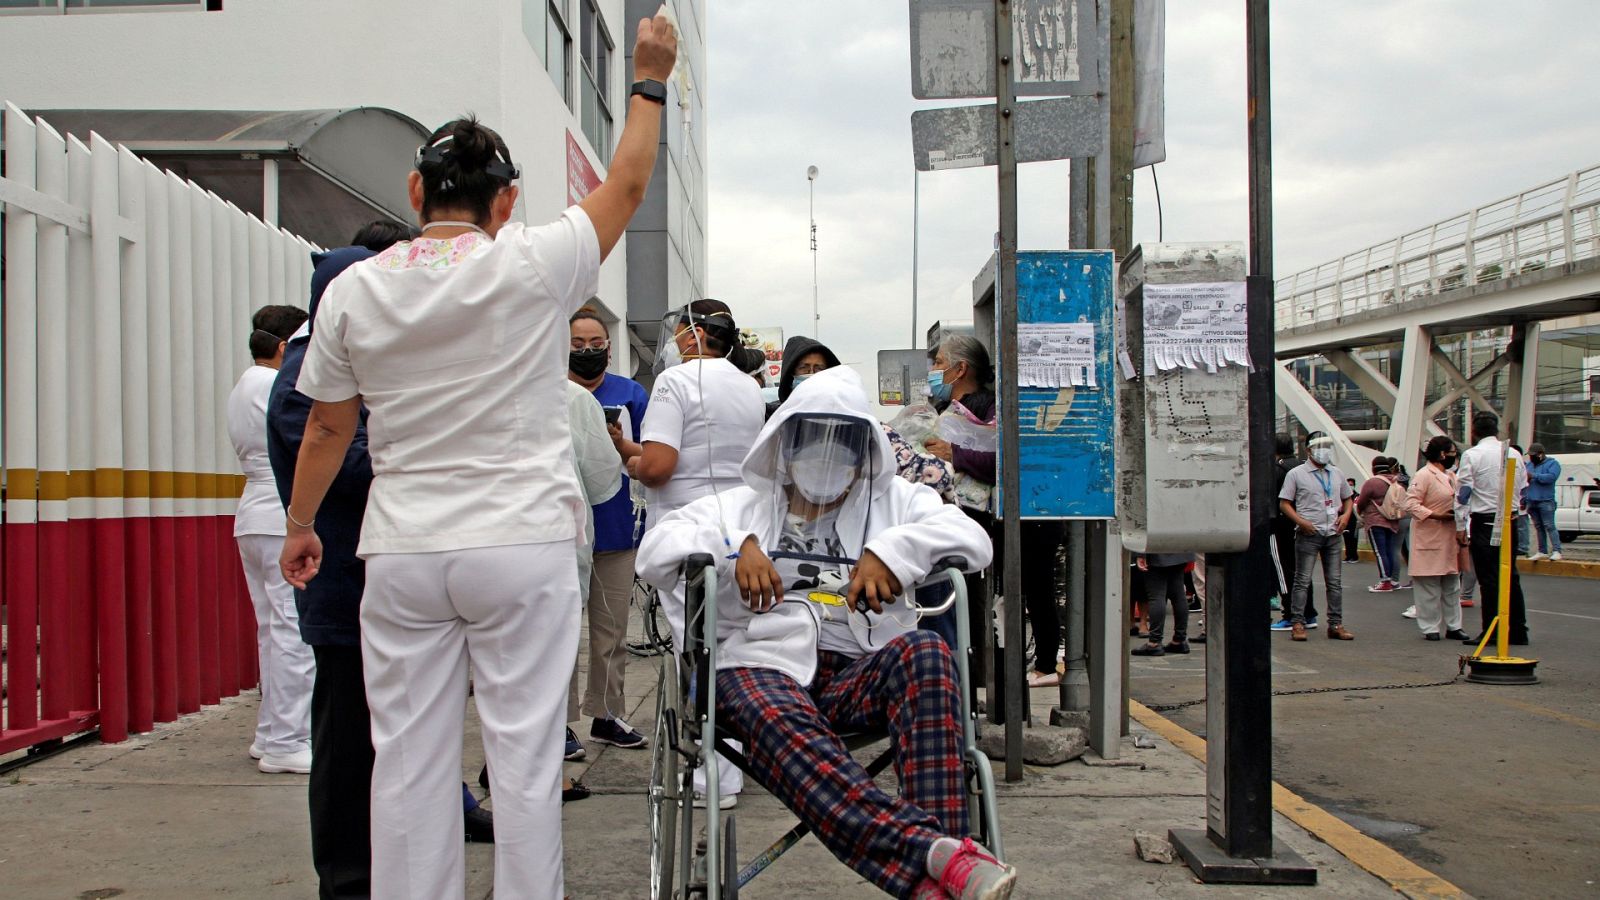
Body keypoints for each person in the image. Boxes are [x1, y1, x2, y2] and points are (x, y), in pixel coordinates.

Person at [278, 17, 677, 899]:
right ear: (504, 204)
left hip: (404, 551)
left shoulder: (353, 290)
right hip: (521, 543)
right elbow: (630, 181)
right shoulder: (533, 264)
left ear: (416, 188)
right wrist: (647, 79)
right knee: (526, 762)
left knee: (409, 767)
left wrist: (302, 526)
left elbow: (326, 429)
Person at [636, 367, 1015, 900]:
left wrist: (893, 552)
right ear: (785, 444)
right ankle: (937, 862)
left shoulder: (897, 504)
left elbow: (972, 540)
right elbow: (655, 549)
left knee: (929, 652)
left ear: (865, 452)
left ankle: (938, 854)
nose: (826, 452)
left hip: (858, 671)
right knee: (762, 699)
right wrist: (735, 547)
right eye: (812, 436)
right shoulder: (739, 507)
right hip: (760, 668)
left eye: (843, 440)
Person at [267, 225, 496, 899]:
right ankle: (346, 881)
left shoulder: (361, 368)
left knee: (401, 738)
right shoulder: (301, 383)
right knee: (347, 748)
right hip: (344, 593)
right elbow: (354, 461)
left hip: (390, 583)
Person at [631, 297, 767, 806]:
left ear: (691, 335)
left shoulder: (675, 382)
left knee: (697, 651)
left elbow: (660, 466)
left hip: (690, 533)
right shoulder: (749, 388)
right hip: (744, 529)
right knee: (733, 644)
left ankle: (714, 777)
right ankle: (733, 757)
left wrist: (632, 460)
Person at [921, 336, 1065, 689]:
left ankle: (1042, 662)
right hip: (961, 522)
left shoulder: (990, 407)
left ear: (961, 368)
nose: (934, 371)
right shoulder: (941, 410)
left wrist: (956, 454)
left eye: (940, 363)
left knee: (1031, 586)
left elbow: (1003, 460)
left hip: (1008, 519)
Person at [228, 303, 314, 775]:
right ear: (285, 347)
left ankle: (270, 734)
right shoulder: (276, 383)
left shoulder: (244, 385)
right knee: (292, 632)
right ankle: (286, 738)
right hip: (280, 509)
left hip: (253, 511)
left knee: (271, 630)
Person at [565, 307, 651, 757]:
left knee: (611, 629)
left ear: (610, 347)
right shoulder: (548, 392)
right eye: (577, 345)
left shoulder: (631, 393)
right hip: (564, 531)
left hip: (617, 527)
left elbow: (651, 457)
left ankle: (606, 712)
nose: (587, 353)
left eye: (595, 344)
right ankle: (557, 722)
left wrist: (620, 443)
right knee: (557, 633)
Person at [559, 377, 623, 800]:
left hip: (453, 543)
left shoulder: (461, 379)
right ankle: (540, 770)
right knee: (547, 653)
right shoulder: (572, 398)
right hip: (551, 541)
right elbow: (602, 478)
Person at [1456, 412, 1530, 647]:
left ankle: (1492, 631)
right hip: (1511, 520)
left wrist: (1460, 524)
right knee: (1511, 576)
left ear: (1474, 432)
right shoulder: (1514, 453)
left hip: (1485, 521)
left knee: (1488, 579)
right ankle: (1518, 630)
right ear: (1497, 431)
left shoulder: (1472, 455)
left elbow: (1463, 493)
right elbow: (1523, 486)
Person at [1277, 431, 1356, 641]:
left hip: (1333, 533)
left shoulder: (1336, 473)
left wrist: (1346, 515)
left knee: (1335, 582)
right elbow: (1284, 503)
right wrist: (1300, 521)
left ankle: (1335, 624)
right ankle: (1298, 623)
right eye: (1320, 447)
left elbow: (1348, 498)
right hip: (1308, 533)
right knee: (1302, 580)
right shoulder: (1296, 474)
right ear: (1309, 450)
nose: (1325, 451)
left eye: (1328, 446)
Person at [1404, 436, 1470, 641]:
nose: (1454, 456)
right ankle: (1430, 627)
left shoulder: (1451, 475)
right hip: (1430, 534)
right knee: (1429, 586)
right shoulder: (1424, 475)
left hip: (1450, 537)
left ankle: (1454, 626)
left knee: (1452, 584)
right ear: (1442, 454)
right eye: (1452, 452)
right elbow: (1410, 504)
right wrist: (1435, 515)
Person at [1270, 434, 1318, 630]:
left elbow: (1272, 500)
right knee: (1303, 572)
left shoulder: (1277, 469)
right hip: (1303, 525)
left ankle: (1290, 613)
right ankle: (1308, 613)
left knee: (1284, 571)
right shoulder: (1303, 467)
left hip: (1281, 526)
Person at [1356, 457, 1406, 592]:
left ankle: (1385, 581)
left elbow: (1361, 502)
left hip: (1375, 521)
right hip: (1392, 521)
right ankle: (1393, 580)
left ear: (1374, 468)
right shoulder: (1396, 481)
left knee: (1380, 552)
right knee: (1390, 550)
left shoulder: (1372, 482)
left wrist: (1359, 513)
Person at [1130, 552, 1195, 656]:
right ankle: (1180, 639)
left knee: (1156, 595)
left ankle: (1154, 642)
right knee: (1178, 594)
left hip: (1156, 551)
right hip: (1180, 550)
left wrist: (1140, 554)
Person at [1524, 443, 1562, 560]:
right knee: (1538, 526)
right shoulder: (1529, 465)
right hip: (1531, 500)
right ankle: (1542, 551)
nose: (1531, 457)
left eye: (1533, 455)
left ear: (1540, 454)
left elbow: (1551, 477)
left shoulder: (1553, 464)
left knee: (1549, 525)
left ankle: (1557, 551)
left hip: (1546, 500)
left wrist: (1534, 476)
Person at [1342, 477, 1361, 562]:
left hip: (1354, 520)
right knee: (1346, 538)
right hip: (1346, 520)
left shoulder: (1356, 496)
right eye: (1348, 485)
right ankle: (1348, 556)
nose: (1350, 486)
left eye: (1351, 485)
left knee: (1353, 538)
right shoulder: (1344, 495)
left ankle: (1354, 556)